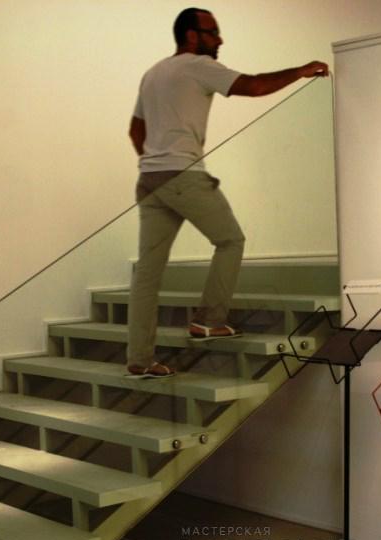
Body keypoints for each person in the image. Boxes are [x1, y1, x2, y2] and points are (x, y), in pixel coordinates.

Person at [125, 7, 328, 378]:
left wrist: (154, 161)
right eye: (212, 32)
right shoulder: (198, 65)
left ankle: (139, 359)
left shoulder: (153, 73)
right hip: (183, 175)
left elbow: (135, 131)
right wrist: (299, 71)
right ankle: (208, 320)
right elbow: (253, 86)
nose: (219, 39)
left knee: (147, 275)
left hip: (150, 180)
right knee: (231, 240)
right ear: (191, 35)